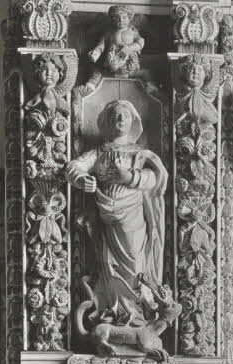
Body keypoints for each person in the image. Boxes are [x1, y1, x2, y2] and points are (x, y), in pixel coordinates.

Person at [68, 98, 168, 323]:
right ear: (107, 121)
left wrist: (130, 177)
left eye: (126, 115)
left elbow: (156, 178)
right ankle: (115, 312)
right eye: (117, 115)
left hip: (133, 217)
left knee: (135, 262)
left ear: (133, 121)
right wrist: (82, 180)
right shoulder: (99, 153)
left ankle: (136, 314)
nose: (122, 119)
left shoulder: (138, 153)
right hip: (107, 218)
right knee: (108, 264)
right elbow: (73, 167)